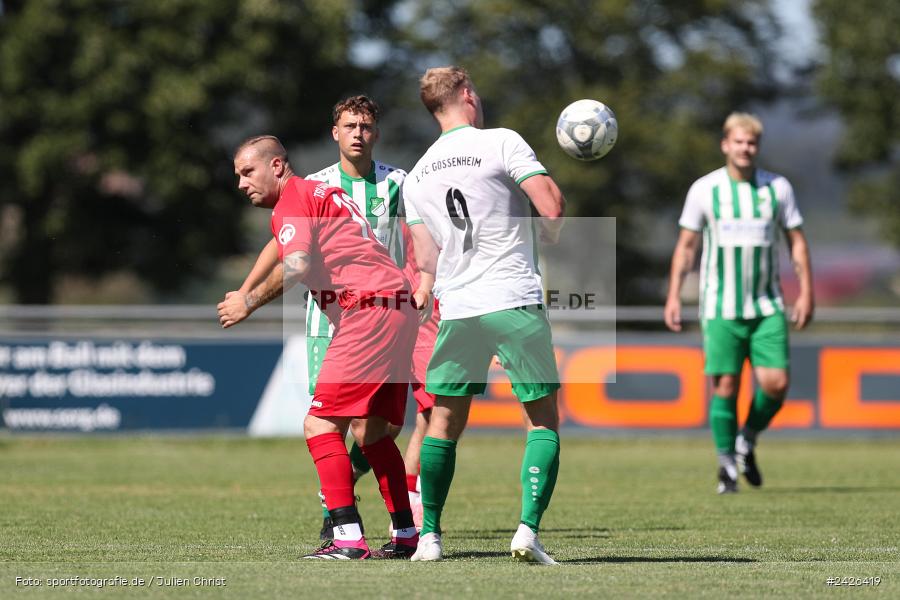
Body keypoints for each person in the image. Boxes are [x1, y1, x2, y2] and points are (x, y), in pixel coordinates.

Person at [235, 97, 438, 551]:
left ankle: (345, 535)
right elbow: (283, 243)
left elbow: (296, 262)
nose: (242, 183)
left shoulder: (296, 196)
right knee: (371, 432)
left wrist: (249, 301)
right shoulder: (322, 191)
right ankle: (406, 533)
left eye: (248, 173)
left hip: (363, 311)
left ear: (277, 165)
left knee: (320, 425)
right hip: (397, 307)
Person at [401, 66, 566, 565]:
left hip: (459, 308)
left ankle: (429, 536)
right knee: (542, 425)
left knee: (443, 425)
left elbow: (425, 260)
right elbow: (553, 208)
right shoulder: (501, 141)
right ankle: (526, 532)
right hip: (512, 296)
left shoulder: (418, 174)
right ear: (467, 95)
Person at [664, 112, 814, 494]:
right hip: (720, 307)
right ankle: (726, 464)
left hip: (767, 305)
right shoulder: (705, 189)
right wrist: (673, 296)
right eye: (739, 142)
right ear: (725, 145)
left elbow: (796, 240)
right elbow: (686, 247)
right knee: (726, 386)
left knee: (776, 384)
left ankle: (747, 438)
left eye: (752, 143)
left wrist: (807, 290)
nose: (745, 148)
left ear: (757, 147)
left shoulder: (777, 188)